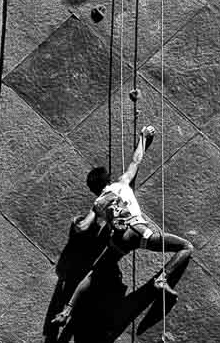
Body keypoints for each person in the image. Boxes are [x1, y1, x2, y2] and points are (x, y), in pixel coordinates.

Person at [52, 125, 193, 330]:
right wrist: (143, 138)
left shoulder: (97, 205)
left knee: (94, 274)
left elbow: (83, 227)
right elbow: (136, 161)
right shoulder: (122, 183)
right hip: (138, 231)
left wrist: (76, 223)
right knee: (186, 247)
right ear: (107, 179)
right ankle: (162, 280)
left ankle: (67, 310)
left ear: (93, 190)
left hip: (118, 241)